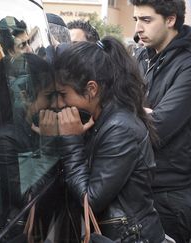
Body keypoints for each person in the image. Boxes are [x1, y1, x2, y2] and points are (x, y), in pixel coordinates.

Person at [40, 36, 165, 242]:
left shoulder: (120, 128)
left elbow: (91, 199)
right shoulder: (100, 118)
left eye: (63, 94)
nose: (59, 103)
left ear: (91, 89)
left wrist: (71, 138)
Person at [131, 0, 191, 242]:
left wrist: (130, 114)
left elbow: (160, 127)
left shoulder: (187, 64)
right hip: (139, 187)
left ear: (170, 19)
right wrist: (141, 112)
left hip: (170, 194)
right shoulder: (141, 57)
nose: (138, 28)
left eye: (146, 20)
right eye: (135, 20)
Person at [0, 53, 59, 241]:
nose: (55, 104)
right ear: (25, 95)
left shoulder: (30, 128)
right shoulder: (4, 139)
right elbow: (28, 200)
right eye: (49, 96)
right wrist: (49, 145)